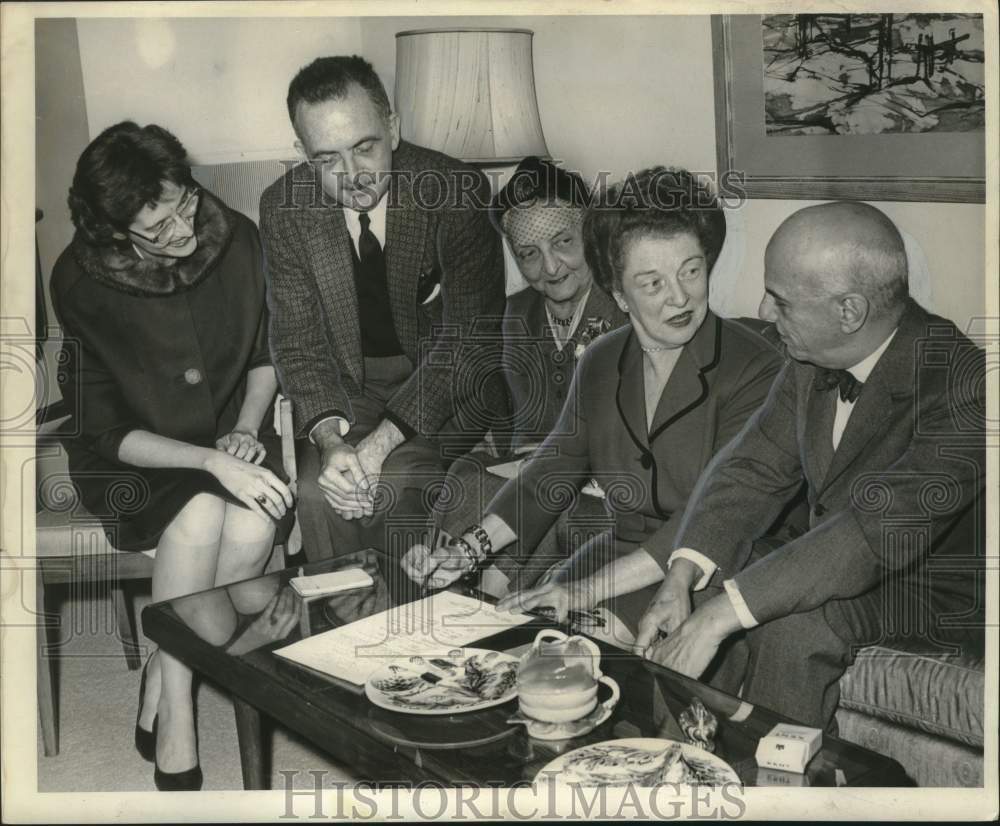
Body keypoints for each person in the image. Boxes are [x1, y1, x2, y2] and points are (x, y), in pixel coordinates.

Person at [402, 167, 799, 653]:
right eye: (652, 283)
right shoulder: (602, 359)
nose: (679, 297)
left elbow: (716, 510)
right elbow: (552, 469)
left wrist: (583, 591)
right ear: (617, 294)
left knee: (576, 649)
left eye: (690, 271)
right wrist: (469, 550)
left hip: (717, 560)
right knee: (509, 644)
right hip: (623, 553)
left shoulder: (757, 367)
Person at [636, 201, 985, 731]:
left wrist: (721, 616)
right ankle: (676, 768)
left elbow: (871, 533)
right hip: (838, 553)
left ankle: (782, 791)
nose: (763, 311)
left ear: (849, 312)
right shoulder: (807, 358)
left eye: (781, 301)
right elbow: (750, 470)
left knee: (795, 626)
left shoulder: (969, 386)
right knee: (704, 591)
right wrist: (680, 579)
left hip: (927, 585)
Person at [51, 122, 294, 791]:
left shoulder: (238, 236)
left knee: (253, 523)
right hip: (139, 458)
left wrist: (245, 430)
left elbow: (266, 353)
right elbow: (100, 427)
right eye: (156, 229)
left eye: (183, 205)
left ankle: (163, 660)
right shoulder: (79, 280)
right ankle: (179, 711)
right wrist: (211, 463)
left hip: (229, 434)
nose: (182, 232)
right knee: (199, 519)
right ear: (111, 231)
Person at [260, 55, 507, 563]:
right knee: (317, 492)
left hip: (439, 384)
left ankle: (409, 631)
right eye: (326, 158)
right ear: (301, 153)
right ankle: (337, 632)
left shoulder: (455, 193)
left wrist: (377, 448)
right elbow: (298, 344)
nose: (352, 176)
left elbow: (467, 344)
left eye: (364, 147)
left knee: (391, 485)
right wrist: (331, 442)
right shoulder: (282, 209)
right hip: (345, 392)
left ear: (392, 128)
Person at [416, 156, 628, 595]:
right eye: (529, 254)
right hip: (520, 471)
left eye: (564, 242)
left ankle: (485, 608)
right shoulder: (509, 315)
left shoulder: (629, 312)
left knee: (544, 496)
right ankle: (449, 599)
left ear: (591, 232)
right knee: (466, 475)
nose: (550, 268)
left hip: (600, 485)